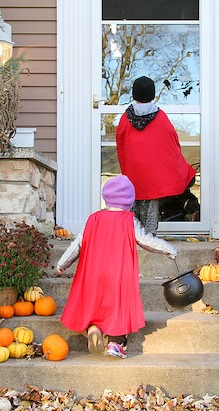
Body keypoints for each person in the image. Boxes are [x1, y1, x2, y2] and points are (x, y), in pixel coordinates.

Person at [56, 175, 177, 359]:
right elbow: (146, 241)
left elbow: (77, 244)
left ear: (106, 197)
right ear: (129, 200)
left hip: (93, 274)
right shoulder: (129, 220)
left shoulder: (93, 219)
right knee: (117, 309)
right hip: (118, 275)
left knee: (94, 303)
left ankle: (94, 328)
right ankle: (115, 344)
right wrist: (169, 249)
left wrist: (62, 263)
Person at [116, 76, 197, 235]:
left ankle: (133, 237)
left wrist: (126, 167)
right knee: (151, 206)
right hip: (153, 175)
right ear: (152, 95)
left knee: (133, 204)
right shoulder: (160, 117)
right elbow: (172, 144)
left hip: (134, 172)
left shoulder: (126, 118)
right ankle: (149, 238)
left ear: (134, 95)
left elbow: (121, 143)